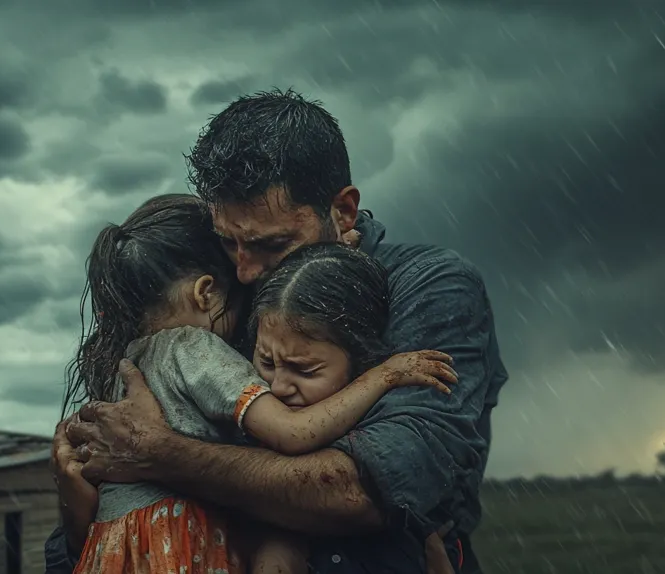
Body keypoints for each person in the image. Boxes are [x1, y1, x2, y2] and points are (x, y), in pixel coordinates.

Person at [47, 89, 508, 574]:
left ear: (344, 211)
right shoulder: (224, 299)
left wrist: (162, 455)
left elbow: (371, 490)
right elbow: (83, 526)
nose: (246, 271)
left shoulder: (427, 286)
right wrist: (80, 496)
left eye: (273, 244)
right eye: (230, 242)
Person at [64, 195, 458, 573]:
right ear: (206, 291)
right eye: (265, 360)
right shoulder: (195, 348)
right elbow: (292, 432)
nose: (279, 385)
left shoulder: (122, 365)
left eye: (304, 369)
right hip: (176, 542)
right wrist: (386, 374)